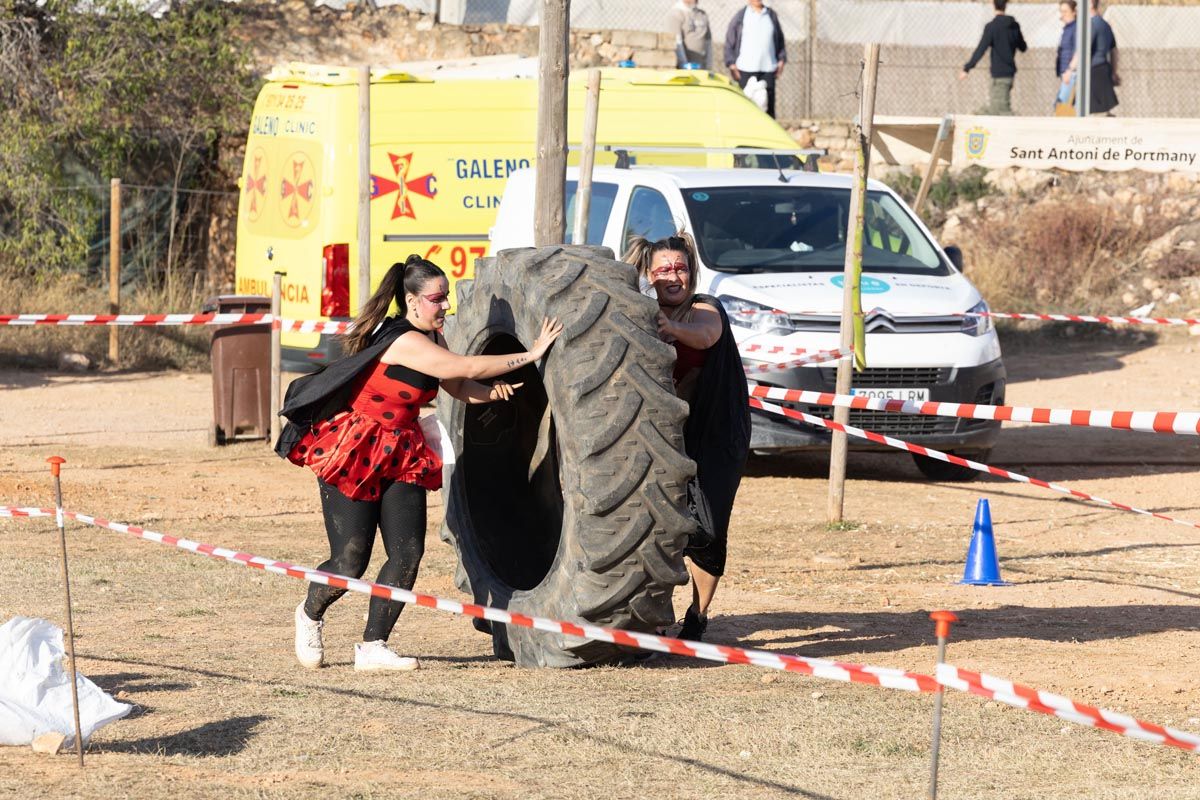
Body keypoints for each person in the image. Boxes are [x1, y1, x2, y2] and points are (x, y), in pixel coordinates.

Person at [276, 255, 562, 671]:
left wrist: (491, 392)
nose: (445, 306)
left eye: (446, 298)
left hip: (401, 452)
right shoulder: (404, 341)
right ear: (412, 302)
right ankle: (310, 613)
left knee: (407, 554)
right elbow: (464, 366)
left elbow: (459, 384)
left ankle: (373, 645)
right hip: (356, 448)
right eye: (437, 299)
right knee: (350, 561)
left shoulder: (433, 339)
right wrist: (532, 352)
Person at [624, 234, 750, 642]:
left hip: (715, 435)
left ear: (691, 271)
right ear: (649, 274)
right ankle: (656, 611)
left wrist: (670, 328)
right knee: (659, 523)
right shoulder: (642, 310)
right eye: (663, 269)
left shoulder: (704, 309)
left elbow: (706, 336)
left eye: (680, 267)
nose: (673, 276)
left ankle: (698, 614)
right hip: (666, 436)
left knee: (706, 528)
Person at [958, 0, 1027, 116]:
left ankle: (1020, 125)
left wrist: (967, 68)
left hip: (998, 75)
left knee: (999, 110)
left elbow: (981, 49)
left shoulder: (992, 27)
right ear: (1006, 5)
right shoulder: (1014, 26)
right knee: (999, 107)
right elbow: (1023, 47)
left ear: (993, 4)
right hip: (1009, 74)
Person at [724, 0, 786, 118]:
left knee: (768, 111)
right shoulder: (741, 16)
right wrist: (731, 63)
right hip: (745, 70)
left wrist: (781, 60)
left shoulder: (771, 15)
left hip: (768, 69)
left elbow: (780, 41)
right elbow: (729, 41)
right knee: (745, 109)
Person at [666, 0, 711, 69]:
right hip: (686, 70)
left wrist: (709, 66)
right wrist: (684, 65)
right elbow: (676, 42)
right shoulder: (676, 14)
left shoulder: (702, 14)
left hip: (701, 67)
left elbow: (708, 42)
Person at [1054, 1, 1078, 111]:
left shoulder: (1076, 28)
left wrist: (1069, 70)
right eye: (1061, 11)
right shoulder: (1067, 29)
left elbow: (1078, 52)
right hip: (1065, 73)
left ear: (1073, 12)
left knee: (1061, 106)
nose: (1062, 15)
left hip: (1071, 74)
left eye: (1065, 11)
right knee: (1065, 107)